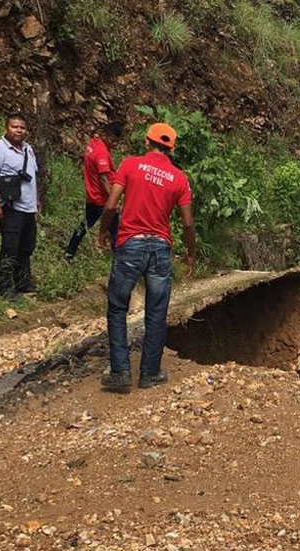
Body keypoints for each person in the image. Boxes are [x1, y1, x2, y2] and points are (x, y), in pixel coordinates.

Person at [97, 122, 197, 391]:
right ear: (171, 149)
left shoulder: (130, 165)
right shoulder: (179, 178)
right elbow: (188, 223)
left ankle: (120, 373)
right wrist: (190, 254)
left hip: (130, 244)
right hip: (160, 249)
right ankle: (149, 373)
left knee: (118, 308)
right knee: (156, 312)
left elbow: (111, 204)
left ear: (146, 142)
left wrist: (103, 232)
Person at [0, 114, 39, 299]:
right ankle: (5, 287)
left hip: (28, 208)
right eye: (15, 127)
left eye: (22, 127)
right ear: (6, 128)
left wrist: (36, 200)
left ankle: (23, 282)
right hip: (10, 207)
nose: (19, 131)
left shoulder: (28, 149)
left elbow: (33, 175)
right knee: (10, 247)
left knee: (27, 246)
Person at [64, 122, 123, 260]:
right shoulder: (102, 152)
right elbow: (103, 178)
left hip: (92, 195)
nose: (114, 144)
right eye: (112, 140)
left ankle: (70, 252)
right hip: (101, 198)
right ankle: (120, 261)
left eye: (116, 141)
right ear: (105, 135)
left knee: (85, 224)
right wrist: (113, 199)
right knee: (115, 230)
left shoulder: (93, 143)